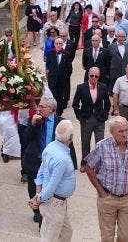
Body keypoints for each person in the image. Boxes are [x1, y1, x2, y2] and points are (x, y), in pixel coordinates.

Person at [85, 116, 128, 242]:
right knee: (107, 238)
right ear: (112, 131)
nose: (124, 134)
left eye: (126, 130)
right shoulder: (102, 146)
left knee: (125, 236)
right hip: (107, 198)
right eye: (121, 131)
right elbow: (88, 167)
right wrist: (100, 191)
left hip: (127, 199)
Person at [22, 96, 78, 227]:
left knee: (49, 188)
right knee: (33, 186)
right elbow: (26, 138)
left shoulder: (61, 123)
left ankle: (44, 217)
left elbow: (69, 144)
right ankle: (37, 211)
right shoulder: (35, 120)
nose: (39, 109)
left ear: (52, 109)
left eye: (42, 107)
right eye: (39, 106)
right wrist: (33, 124)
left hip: (52, 163)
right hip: (35, 161)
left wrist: (72, 165)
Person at [28, 120, 76, 242]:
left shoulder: (49, 147)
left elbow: (40, 174)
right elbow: (51, 187)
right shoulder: (62, 159)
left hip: (56, 202)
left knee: (66, 234)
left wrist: (37, 195)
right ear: (70, 138)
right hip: (54, 203)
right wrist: (38, 199)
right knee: (50, 238)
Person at [72, 67, 110, 173]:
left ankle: (98, 164)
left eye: (96, 76)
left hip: (99, 119)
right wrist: (80, 116)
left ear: (99, 77)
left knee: (100, 142)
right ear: (88, 75)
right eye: (92, 75)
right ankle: (85, 163)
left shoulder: (103, 87)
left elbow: (107, 103)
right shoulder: (81, 87)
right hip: (86, 119)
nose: (94, 78)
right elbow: (75, 104)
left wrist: (105, 115)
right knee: (85, 142)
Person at [46, 38, 73, 116]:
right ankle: (53, 113)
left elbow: (69, 68)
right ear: (54, 44)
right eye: (56, 43)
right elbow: (48, 65)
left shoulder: (66, 54)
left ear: (62, 45)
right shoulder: (50, 53)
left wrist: (65, 77)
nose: (58, 45)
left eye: (60, 44)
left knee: (60, 99)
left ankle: (59, 113)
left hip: (62, 81)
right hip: (53, 80)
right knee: (53, 98)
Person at [107, 30, 128, 95]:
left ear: (125, 37)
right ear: (116, 37)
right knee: (114, 93)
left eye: (122, 36)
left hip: (125, 73)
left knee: (124, 92)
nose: (121, 38)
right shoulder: (111, 46)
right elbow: (107, 61)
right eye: (119, 36)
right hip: (114, 74)